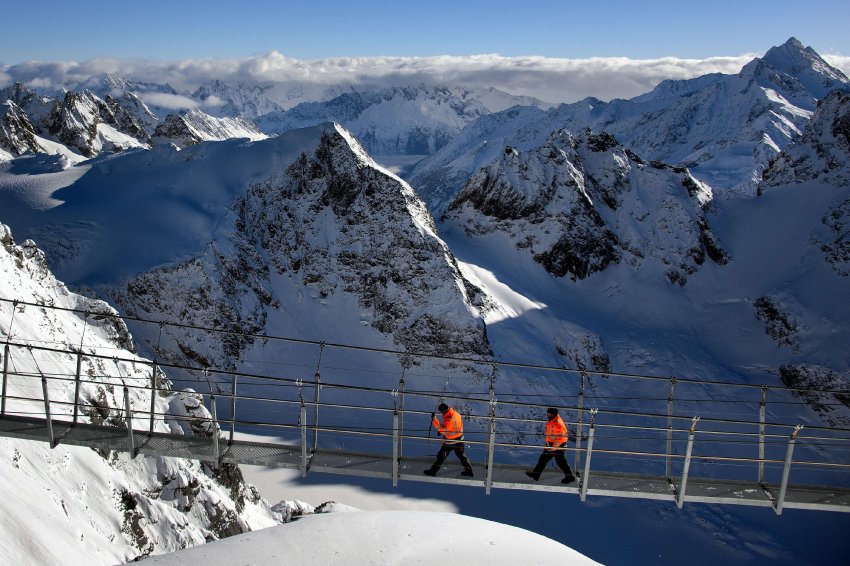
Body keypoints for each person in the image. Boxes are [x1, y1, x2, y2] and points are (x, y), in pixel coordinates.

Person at [525, 407, 576, 484]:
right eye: (547, 413)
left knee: (560, 462)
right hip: (551, 444)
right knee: (543, 459)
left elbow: (561, 438)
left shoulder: (557, 423)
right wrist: (548, 443)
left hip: (558, 445)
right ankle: (536, 474)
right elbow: (550, 433)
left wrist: (554, 447)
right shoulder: (552, 420)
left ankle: (570, 477)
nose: (547, 415)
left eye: (549, 414)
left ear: (553, 414)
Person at [423, 402, 474, 477]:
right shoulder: (455, 413)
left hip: (450, 442)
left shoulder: (449, 419)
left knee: (441, 456)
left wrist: (434, 420)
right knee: (462, 456)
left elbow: (442, 429)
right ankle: (469, 471)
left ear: (443, 411)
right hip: (460, 439)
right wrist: (443, 431)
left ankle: (433, 471)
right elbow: (451, 427)